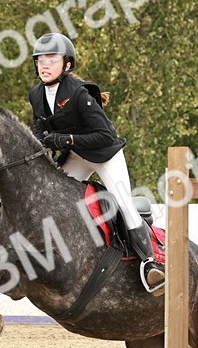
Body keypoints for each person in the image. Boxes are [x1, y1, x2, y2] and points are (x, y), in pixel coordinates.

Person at [27, 32, 165, 295]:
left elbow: (105, 135)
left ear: (67, 64)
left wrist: (66, 139)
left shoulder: (79, 94)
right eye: (40, 60)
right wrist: (41, 145)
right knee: (52, 198)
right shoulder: (36, 94)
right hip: (77, 156)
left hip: (104, 155)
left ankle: (150, 264)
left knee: (124, 203)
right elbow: (38, 128)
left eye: (52, 60)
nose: (44, 65)